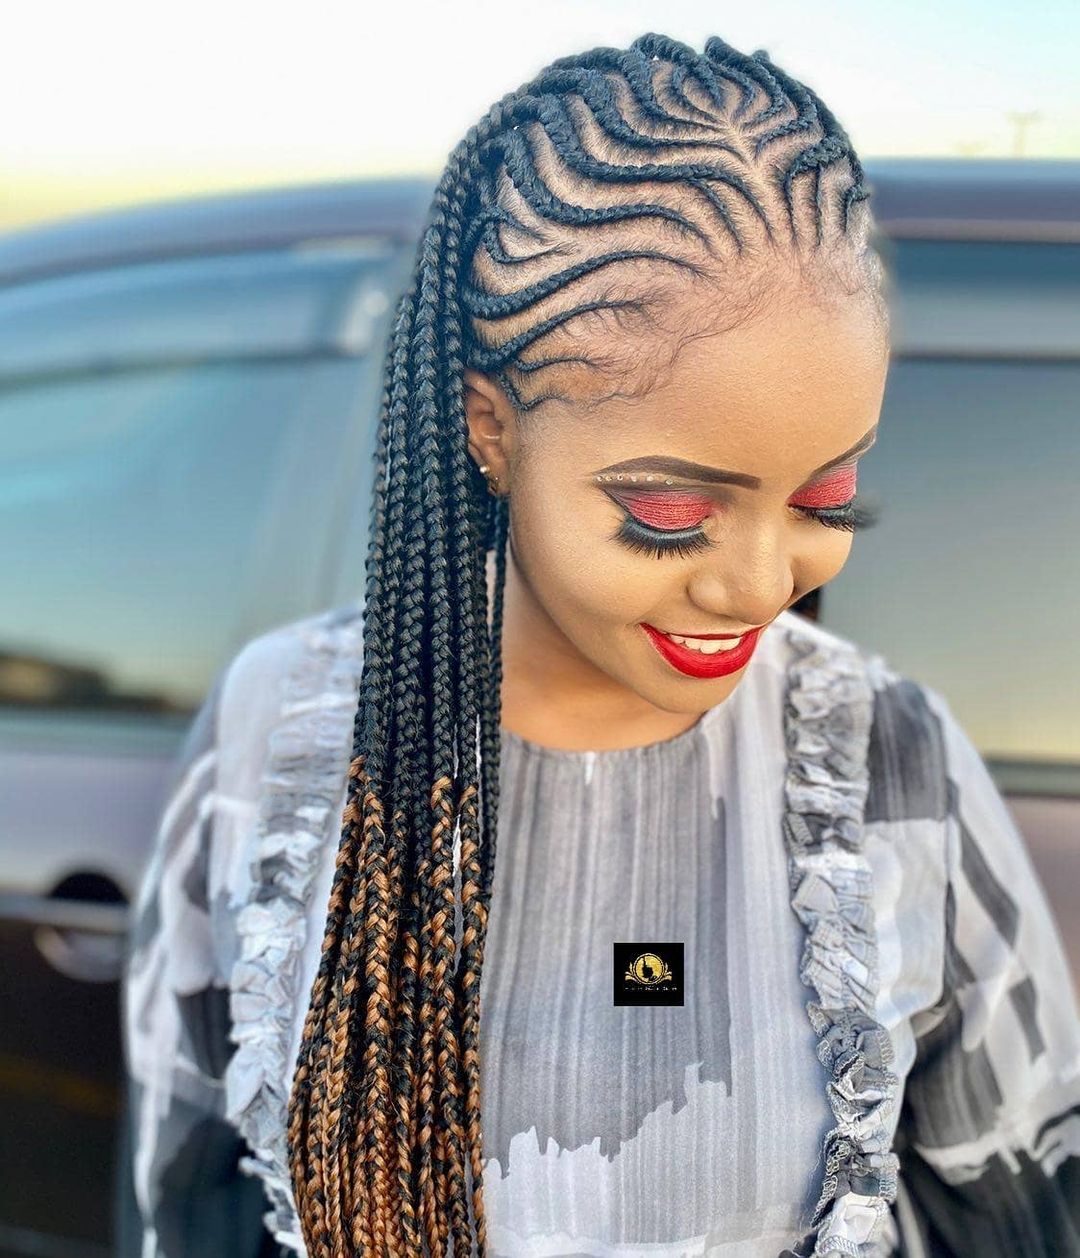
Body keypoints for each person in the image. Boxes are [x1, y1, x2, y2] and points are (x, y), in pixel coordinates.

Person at [120, 31, 1080, 1258]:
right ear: (491, 431)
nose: (760, 585)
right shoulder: (287, 730)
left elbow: (1026, 1205)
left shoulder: (889, 762)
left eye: (826, 498)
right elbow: (182, 1199)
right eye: (670, 512)